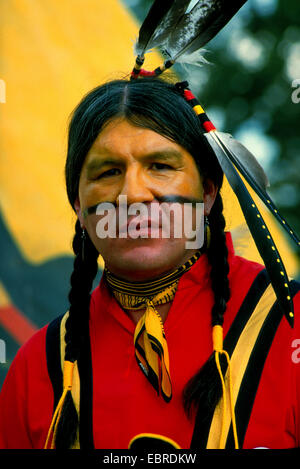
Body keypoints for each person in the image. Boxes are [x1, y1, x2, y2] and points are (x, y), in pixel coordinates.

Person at [0, 77, 299, 450]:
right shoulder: (39, 366)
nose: (133, 195)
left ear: (208, 191)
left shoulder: (290, 322)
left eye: (159, 165)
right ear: (78, 204)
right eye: (108, 172)